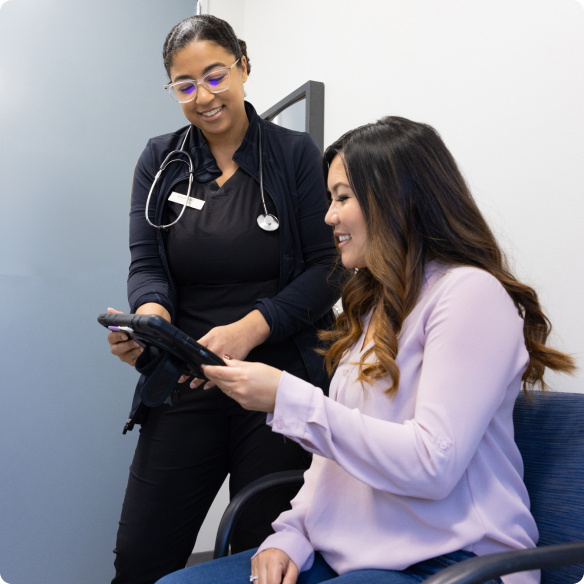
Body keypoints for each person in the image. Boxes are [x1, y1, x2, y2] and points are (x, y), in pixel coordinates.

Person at [154, 116, 576, 584]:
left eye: (342, 198)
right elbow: (337, 463)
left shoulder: (470, 295)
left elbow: (431, 465)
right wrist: (290, 535)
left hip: (453, 562)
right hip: (352, 553)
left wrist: (288, 398)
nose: (329, 216)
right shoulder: (373, 307)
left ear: (400, 200)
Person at [106, 14, 340, 584]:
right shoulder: (160, 161)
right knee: (140, 555)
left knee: (262, 555)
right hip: (186, 379)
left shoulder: (294, 156)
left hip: (279, 384)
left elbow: (329, 268)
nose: (203, 97)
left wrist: (250, 330)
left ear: (243, 65)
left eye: (215, 76)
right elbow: (148, 265)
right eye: (185, 86)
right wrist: (152, 321)